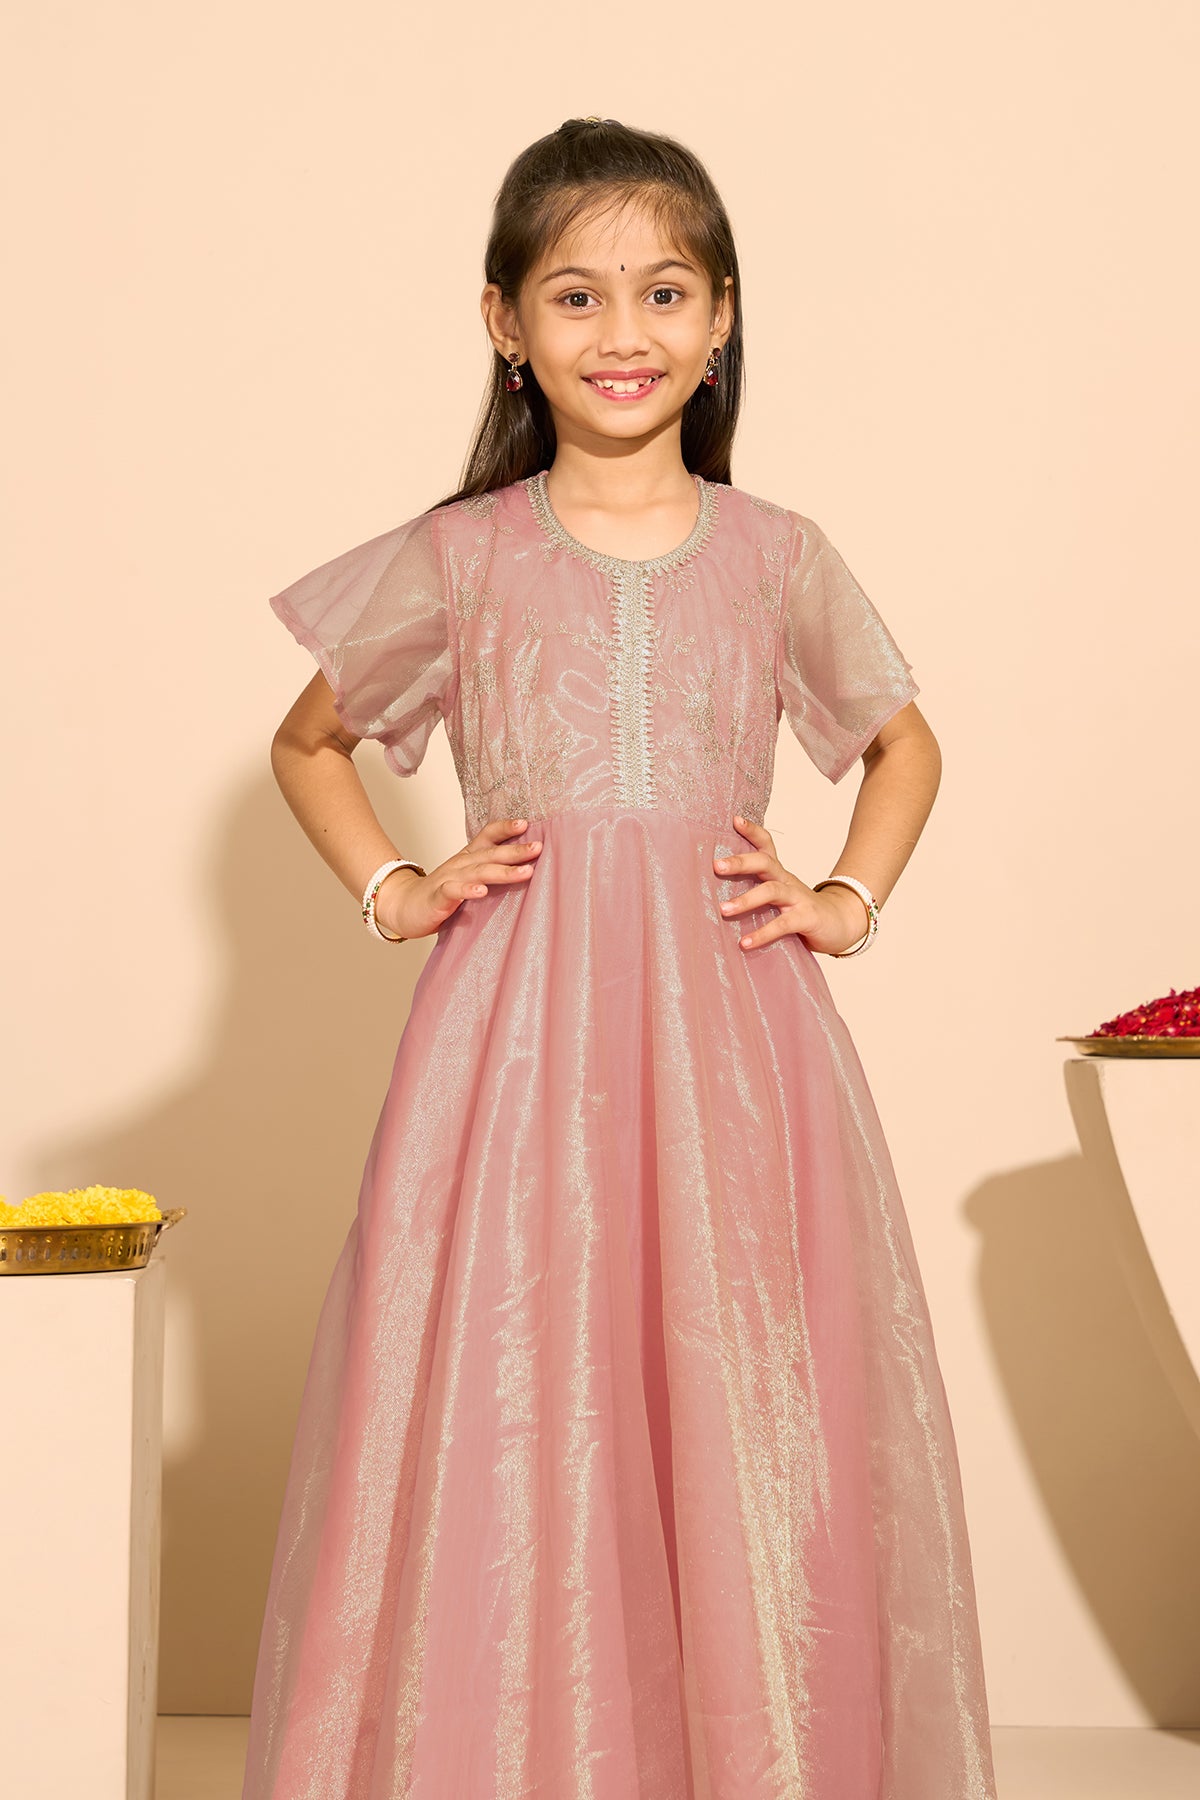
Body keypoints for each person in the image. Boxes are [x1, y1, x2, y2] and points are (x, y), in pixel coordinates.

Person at [241, 117, 998, 1800]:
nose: (624, 332)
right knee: (522, 1376)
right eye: (576, 296)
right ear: (505, 323)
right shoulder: (462, 554)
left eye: (665, 292)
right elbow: (307, 744)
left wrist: (847, 899)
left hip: (734, 1036)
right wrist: (396, 887)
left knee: (734, 1386)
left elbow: (905, 746)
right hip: (514, 1042)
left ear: (721, 320)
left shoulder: (778, 552)